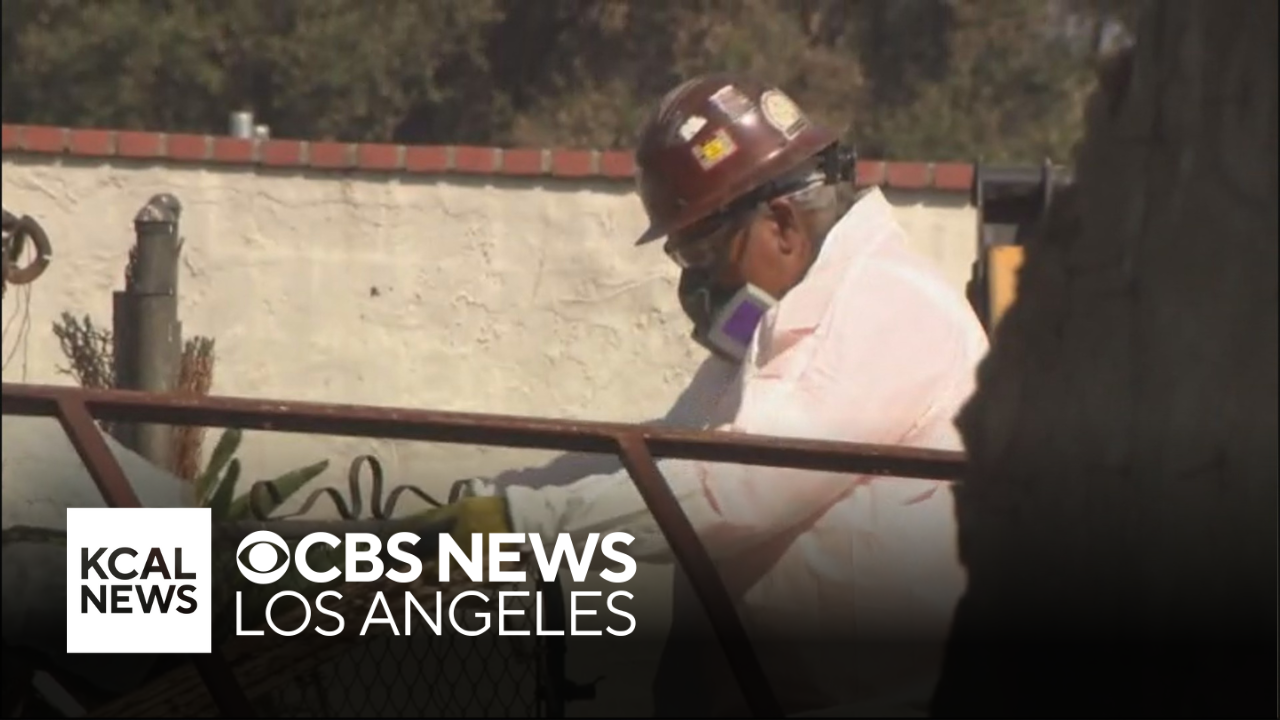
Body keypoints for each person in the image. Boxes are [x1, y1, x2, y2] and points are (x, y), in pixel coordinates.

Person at [437, 72, 990, 717]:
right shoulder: (785, 322)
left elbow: (735, 485)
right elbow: (663, 454)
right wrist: (499, 496)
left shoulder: (888, 308)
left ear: (781, 223)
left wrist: (520, 526)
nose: (696, 287)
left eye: (702, 254)